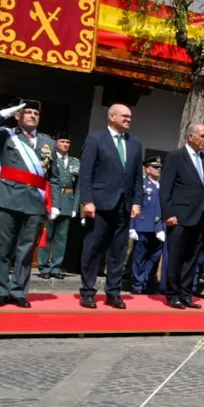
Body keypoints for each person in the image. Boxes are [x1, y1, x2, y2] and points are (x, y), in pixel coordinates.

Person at [0, 100, 54, 307]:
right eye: (27, 112)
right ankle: (0, 291)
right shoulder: (7, 135)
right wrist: (5, 112)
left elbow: (52, 176)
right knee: (2, 247)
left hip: (34, 201)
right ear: (18, 115)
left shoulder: (49, 143)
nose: (32, 116)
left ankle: (18, 291)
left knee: (26, 250)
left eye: (35, 113)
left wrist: (53, 203)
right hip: (7, 197)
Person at [78, 105, 144, 309]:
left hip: (124, 205)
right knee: (93, 248)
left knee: (118, 250)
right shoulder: (96, 138)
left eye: (130, 116)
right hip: (99, 204)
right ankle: (88, 291)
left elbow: (137, 178)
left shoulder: (134, 144)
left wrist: (136, 202)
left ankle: (113, 292)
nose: (128, 119)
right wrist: (86, 200)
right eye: (124, 116)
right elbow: (86, 172)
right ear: (111, 117)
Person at [160, 124, 204, 309]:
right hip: (179, 216)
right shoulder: (176, 156)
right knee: (176, 256)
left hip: (200, 217)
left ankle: (185, 293)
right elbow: (165, 187)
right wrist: (168, 213)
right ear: (190, 136)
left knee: (192, 258)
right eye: (202, 136)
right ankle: (172, 293)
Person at [38, 132, 78, 279]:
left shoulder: (75, 162)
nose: (65, 145)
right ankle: (43, 266)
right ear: (56, 143)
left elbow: (78, 186)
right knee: (47, 235)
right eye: (62, 142)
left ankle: (56, 267)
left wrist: (75, 207)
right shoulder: (49, 159)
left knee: (62, 238)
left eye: (67, 142)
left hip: (67, 200)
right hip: (52, 200)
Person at [129, 157, 165, 294]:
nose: (158, 169)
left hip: (159, 227)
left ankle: (148, 281)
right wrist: (132, 226)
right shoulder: (141, 184)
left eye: (159, 167)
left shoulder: (162, 185)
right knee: (140, 256)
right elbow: (134, 206)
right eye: (155, 167)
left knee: (155, 256)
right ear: (147, 168)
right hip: (143, 225)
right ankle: (137, 284)